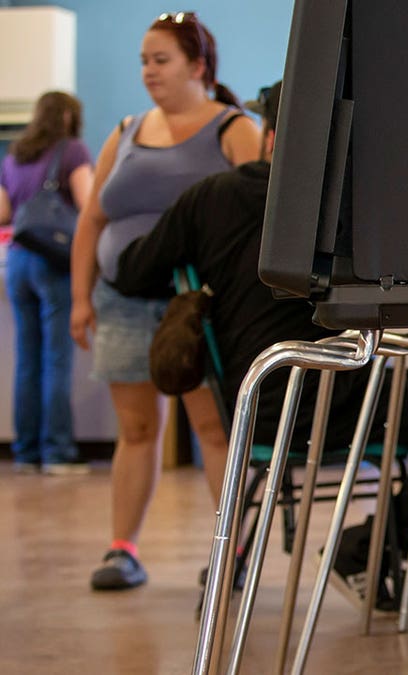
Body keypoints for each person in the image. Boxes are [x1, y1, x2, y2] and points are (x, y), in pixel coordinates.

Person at [112, 80, 408, 611]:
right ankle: (363, 551)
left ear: (272, 139)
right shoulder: (343, 211)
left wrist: (202, 283)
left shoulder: (210, 197)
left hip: (261, 397)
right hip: (318, 394)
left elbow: (132, 270)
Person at [70, 12, 261, 591]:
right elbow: (92, 219)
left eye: (162, 60)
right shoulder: (127, 129)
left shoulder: (234, 128)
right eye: (144, 62)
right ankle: (122, 549)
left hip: (198, 304)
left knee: (213, 428)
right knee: (136, 429)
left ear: (197, 65)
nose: (150, 71)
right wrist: (81, 297)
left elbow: (259, 216)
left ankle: (230, 553)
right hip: (125, 299)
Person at [0, 92, 93, 475]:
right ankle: (57, 452)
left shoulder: (14, 155)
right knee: (56, 358)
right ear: (69, 115)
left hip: (17, 260)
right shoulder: (72, 150)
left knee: (27, 359)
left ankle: (25, 451)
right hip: (54, 260)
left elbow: (4, 211)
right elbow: (89, 206)